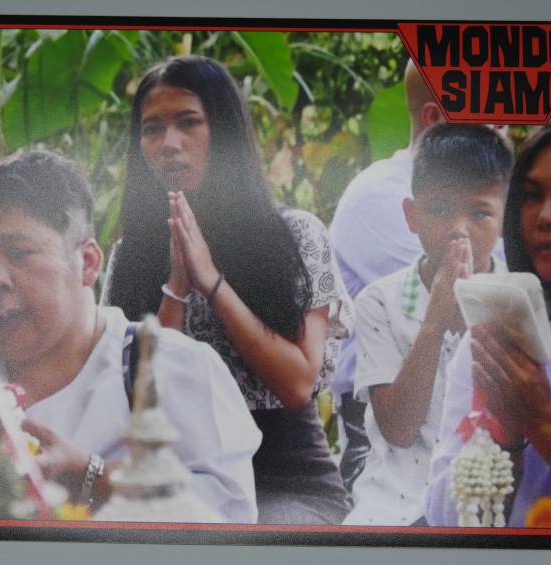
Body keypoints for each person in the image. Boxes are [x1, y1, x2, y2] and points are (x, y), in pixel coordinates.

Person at [102, 55, 354, 525]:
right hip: (176, 471)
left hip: (285, 479)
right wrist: (177, 287)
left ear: (223, 130)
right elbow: (142, 398)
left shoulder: (296, 235)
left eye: (188, 123)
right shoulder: (129, 256)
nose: (169, 144)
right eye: (152, 129)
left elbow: (298, 384)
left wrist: (211, 281)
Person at [0, 149, 262, 523]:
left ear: (87, 262)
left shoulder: (171, 367)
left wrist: (92, 477)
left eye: (20, 253)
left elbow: (229, 516)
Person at [329, 59, 508, 492]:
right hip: (385, 430)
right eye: (490, 117)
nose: (502, 131)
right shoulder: (378, 196)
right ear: (433, 118)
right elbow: (456, 292)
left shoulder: (494, 197)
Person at [424, 108, 551, 528]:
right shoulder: (493, 342)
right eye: (532, 195)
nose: (547, 215)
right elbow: (444, 520)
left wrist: (542, 422)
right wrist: (503, 435)